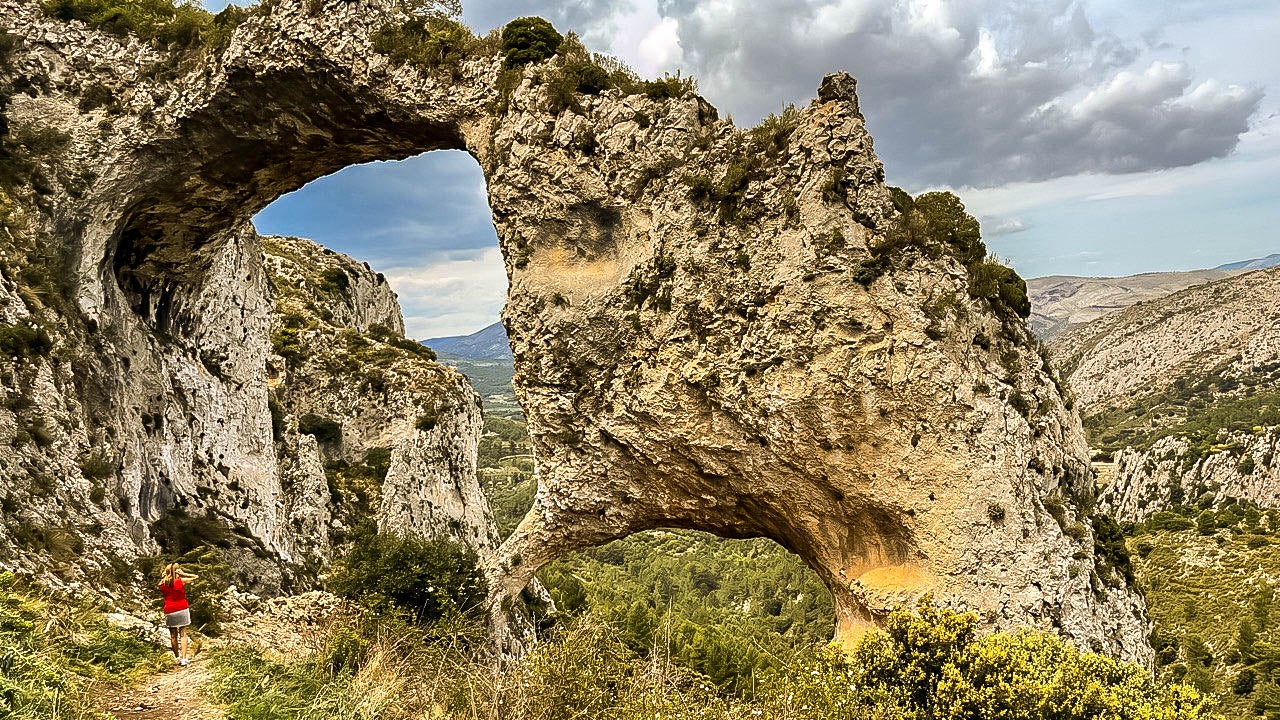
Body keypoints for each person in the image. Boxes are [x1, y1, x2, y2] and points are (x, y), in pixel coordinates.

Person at [159, 562, 197, 666]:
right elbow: (195, 577)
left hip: (169, 610)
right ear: (177, 571)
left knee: (173, 636)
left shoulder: (162, 583)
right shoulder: (180, 581)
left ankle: (177, 657)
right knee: (183, 634)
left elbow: (163, 581)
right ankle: (184, 658)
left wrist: (166, 574)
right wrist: (184, 574)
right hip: (182, 608)